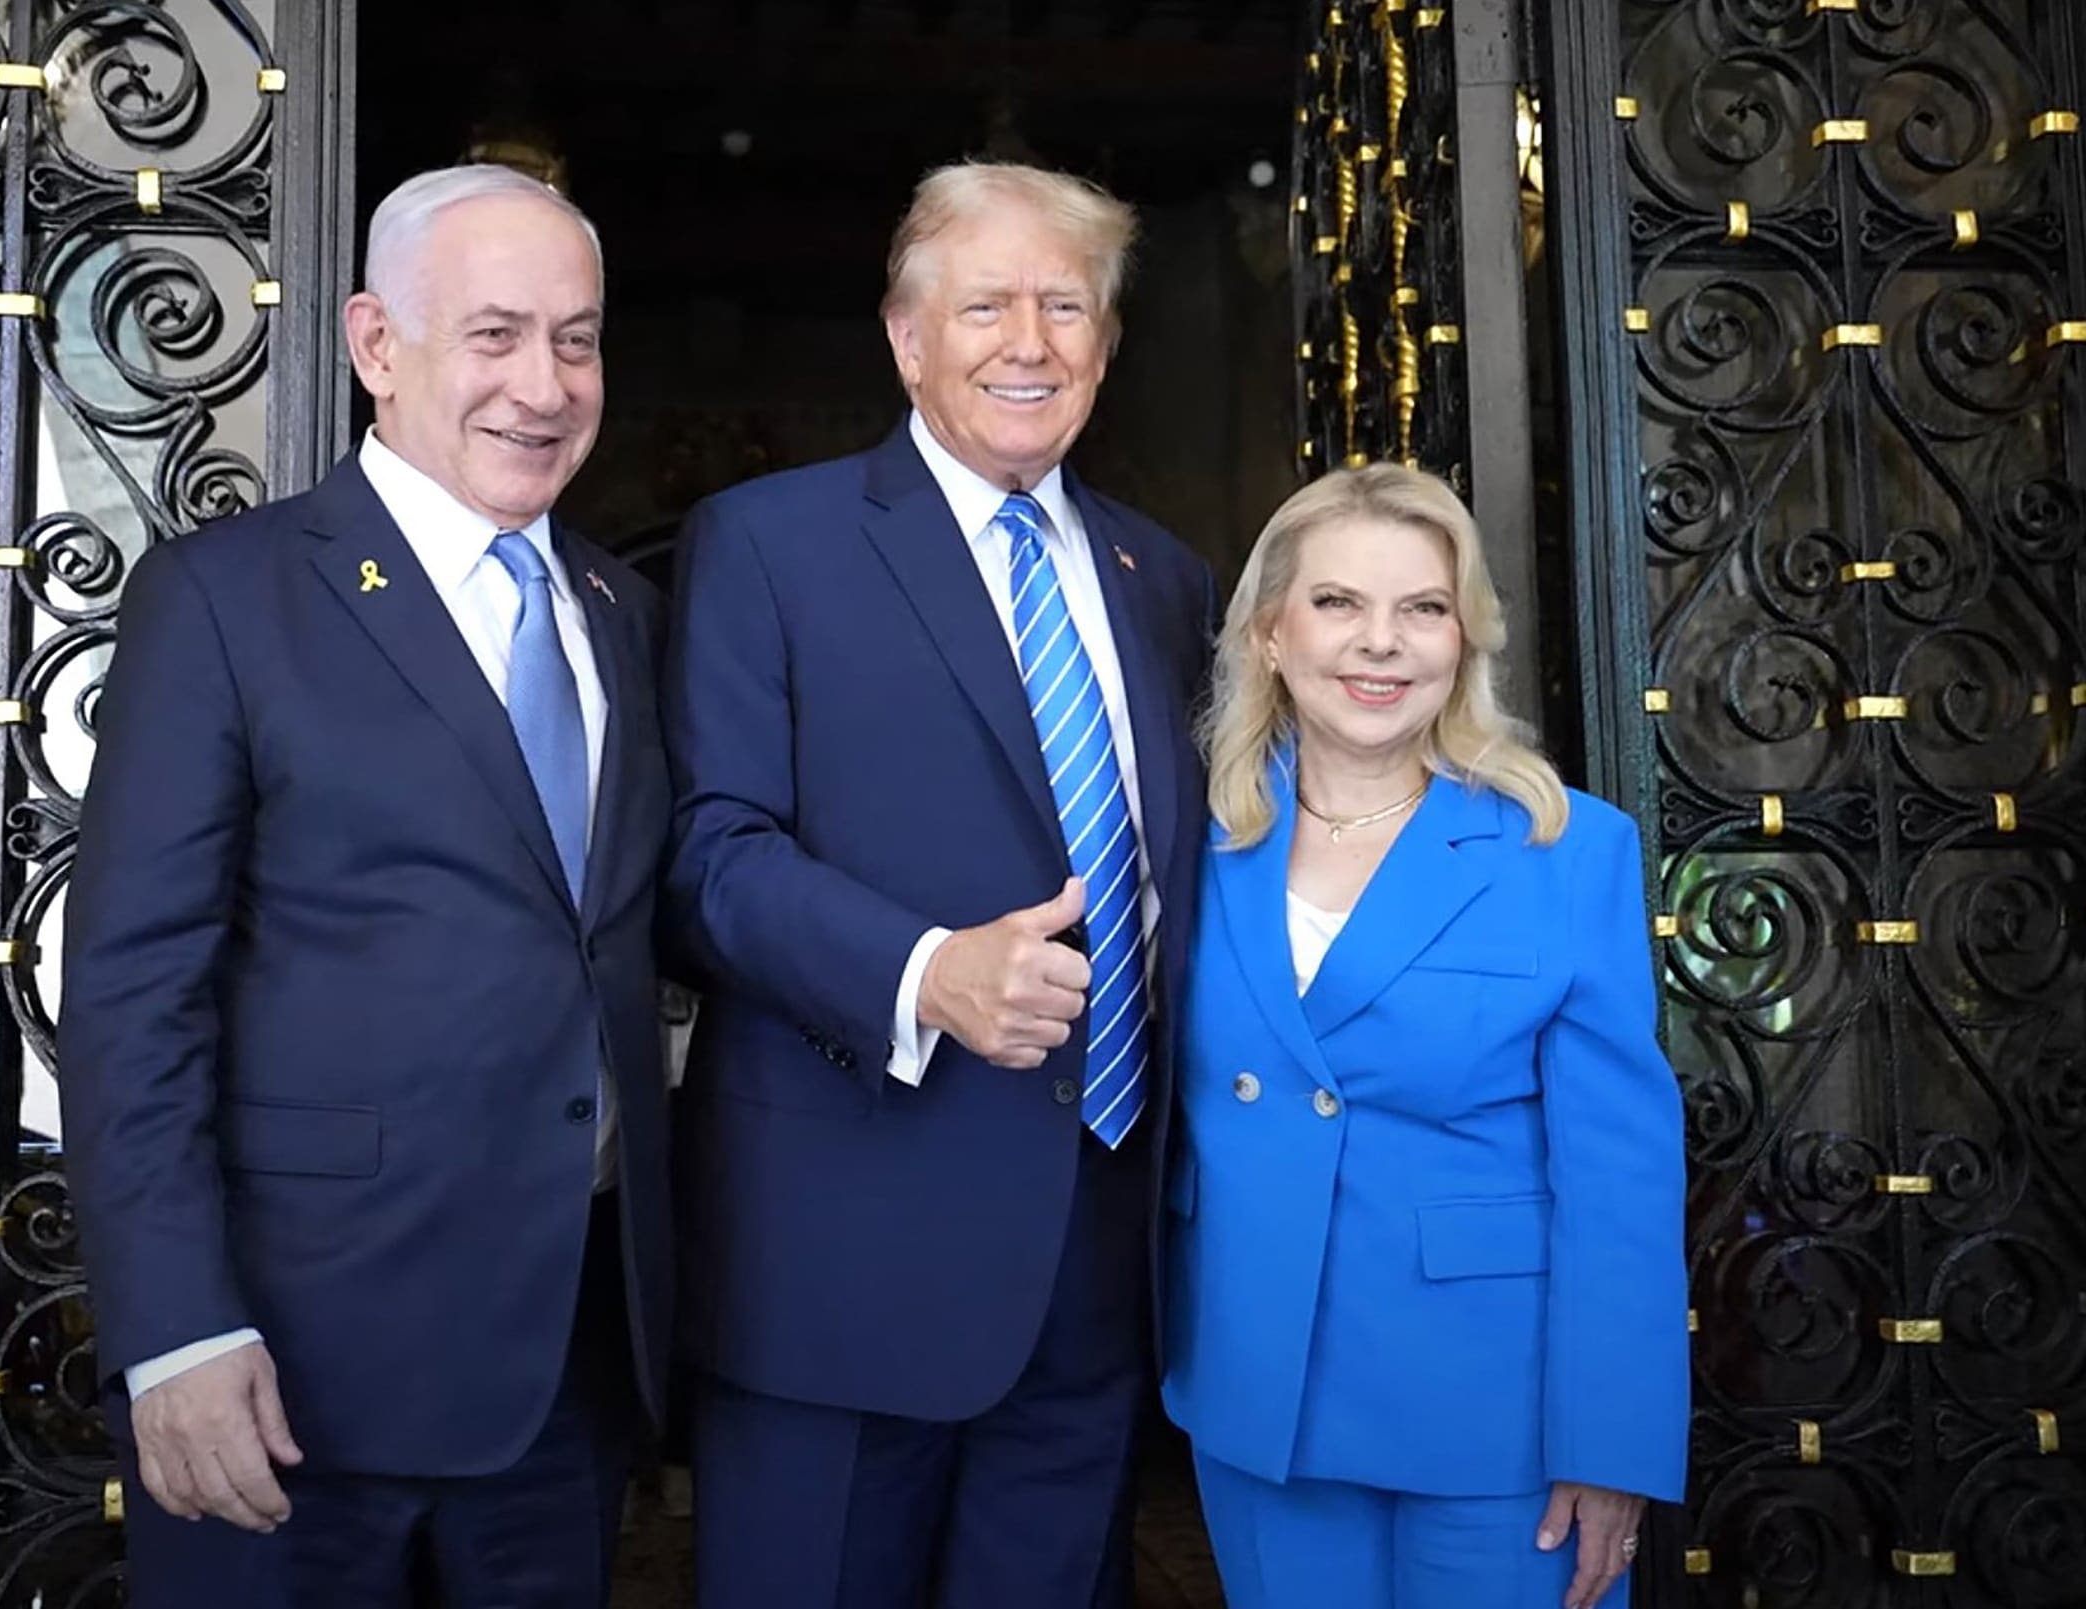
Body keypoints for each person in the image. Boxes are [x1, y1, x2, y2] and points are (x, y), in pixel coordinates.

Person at [59, 163, 672, 1607]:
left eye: (576, 339)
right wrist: (176, 1329)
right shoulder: (224, 596)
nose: (545, 382)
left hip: (567, 1364)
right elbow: (133, 991)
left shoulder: (619, 609)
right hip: (290, 1371)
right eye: (496, 333)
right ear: (375, 345)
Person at [663, 160, 1216, 1608]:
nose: (1028, 342)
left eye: (1065, 304)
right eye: (986, 305)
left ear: (1105, 342)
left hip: (1092, 1274)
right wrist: (924, 972)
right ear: (908, 338)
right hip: (840, 1264)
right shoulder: (767, 544)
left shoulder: (1168, 578)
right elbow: (708, 857)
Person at [1161, 464, 1688, 1609]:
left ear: (1465, 640)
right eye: (1339, 603)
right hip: (1259, 1390)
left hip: (1496, 1413)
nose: (1380, 644)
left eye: (1423, 608)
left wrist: (1614, 1439)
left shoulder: (1565, 846)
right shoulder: (1184, 841)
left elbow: (1620, 1177)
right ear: (1268, 631)